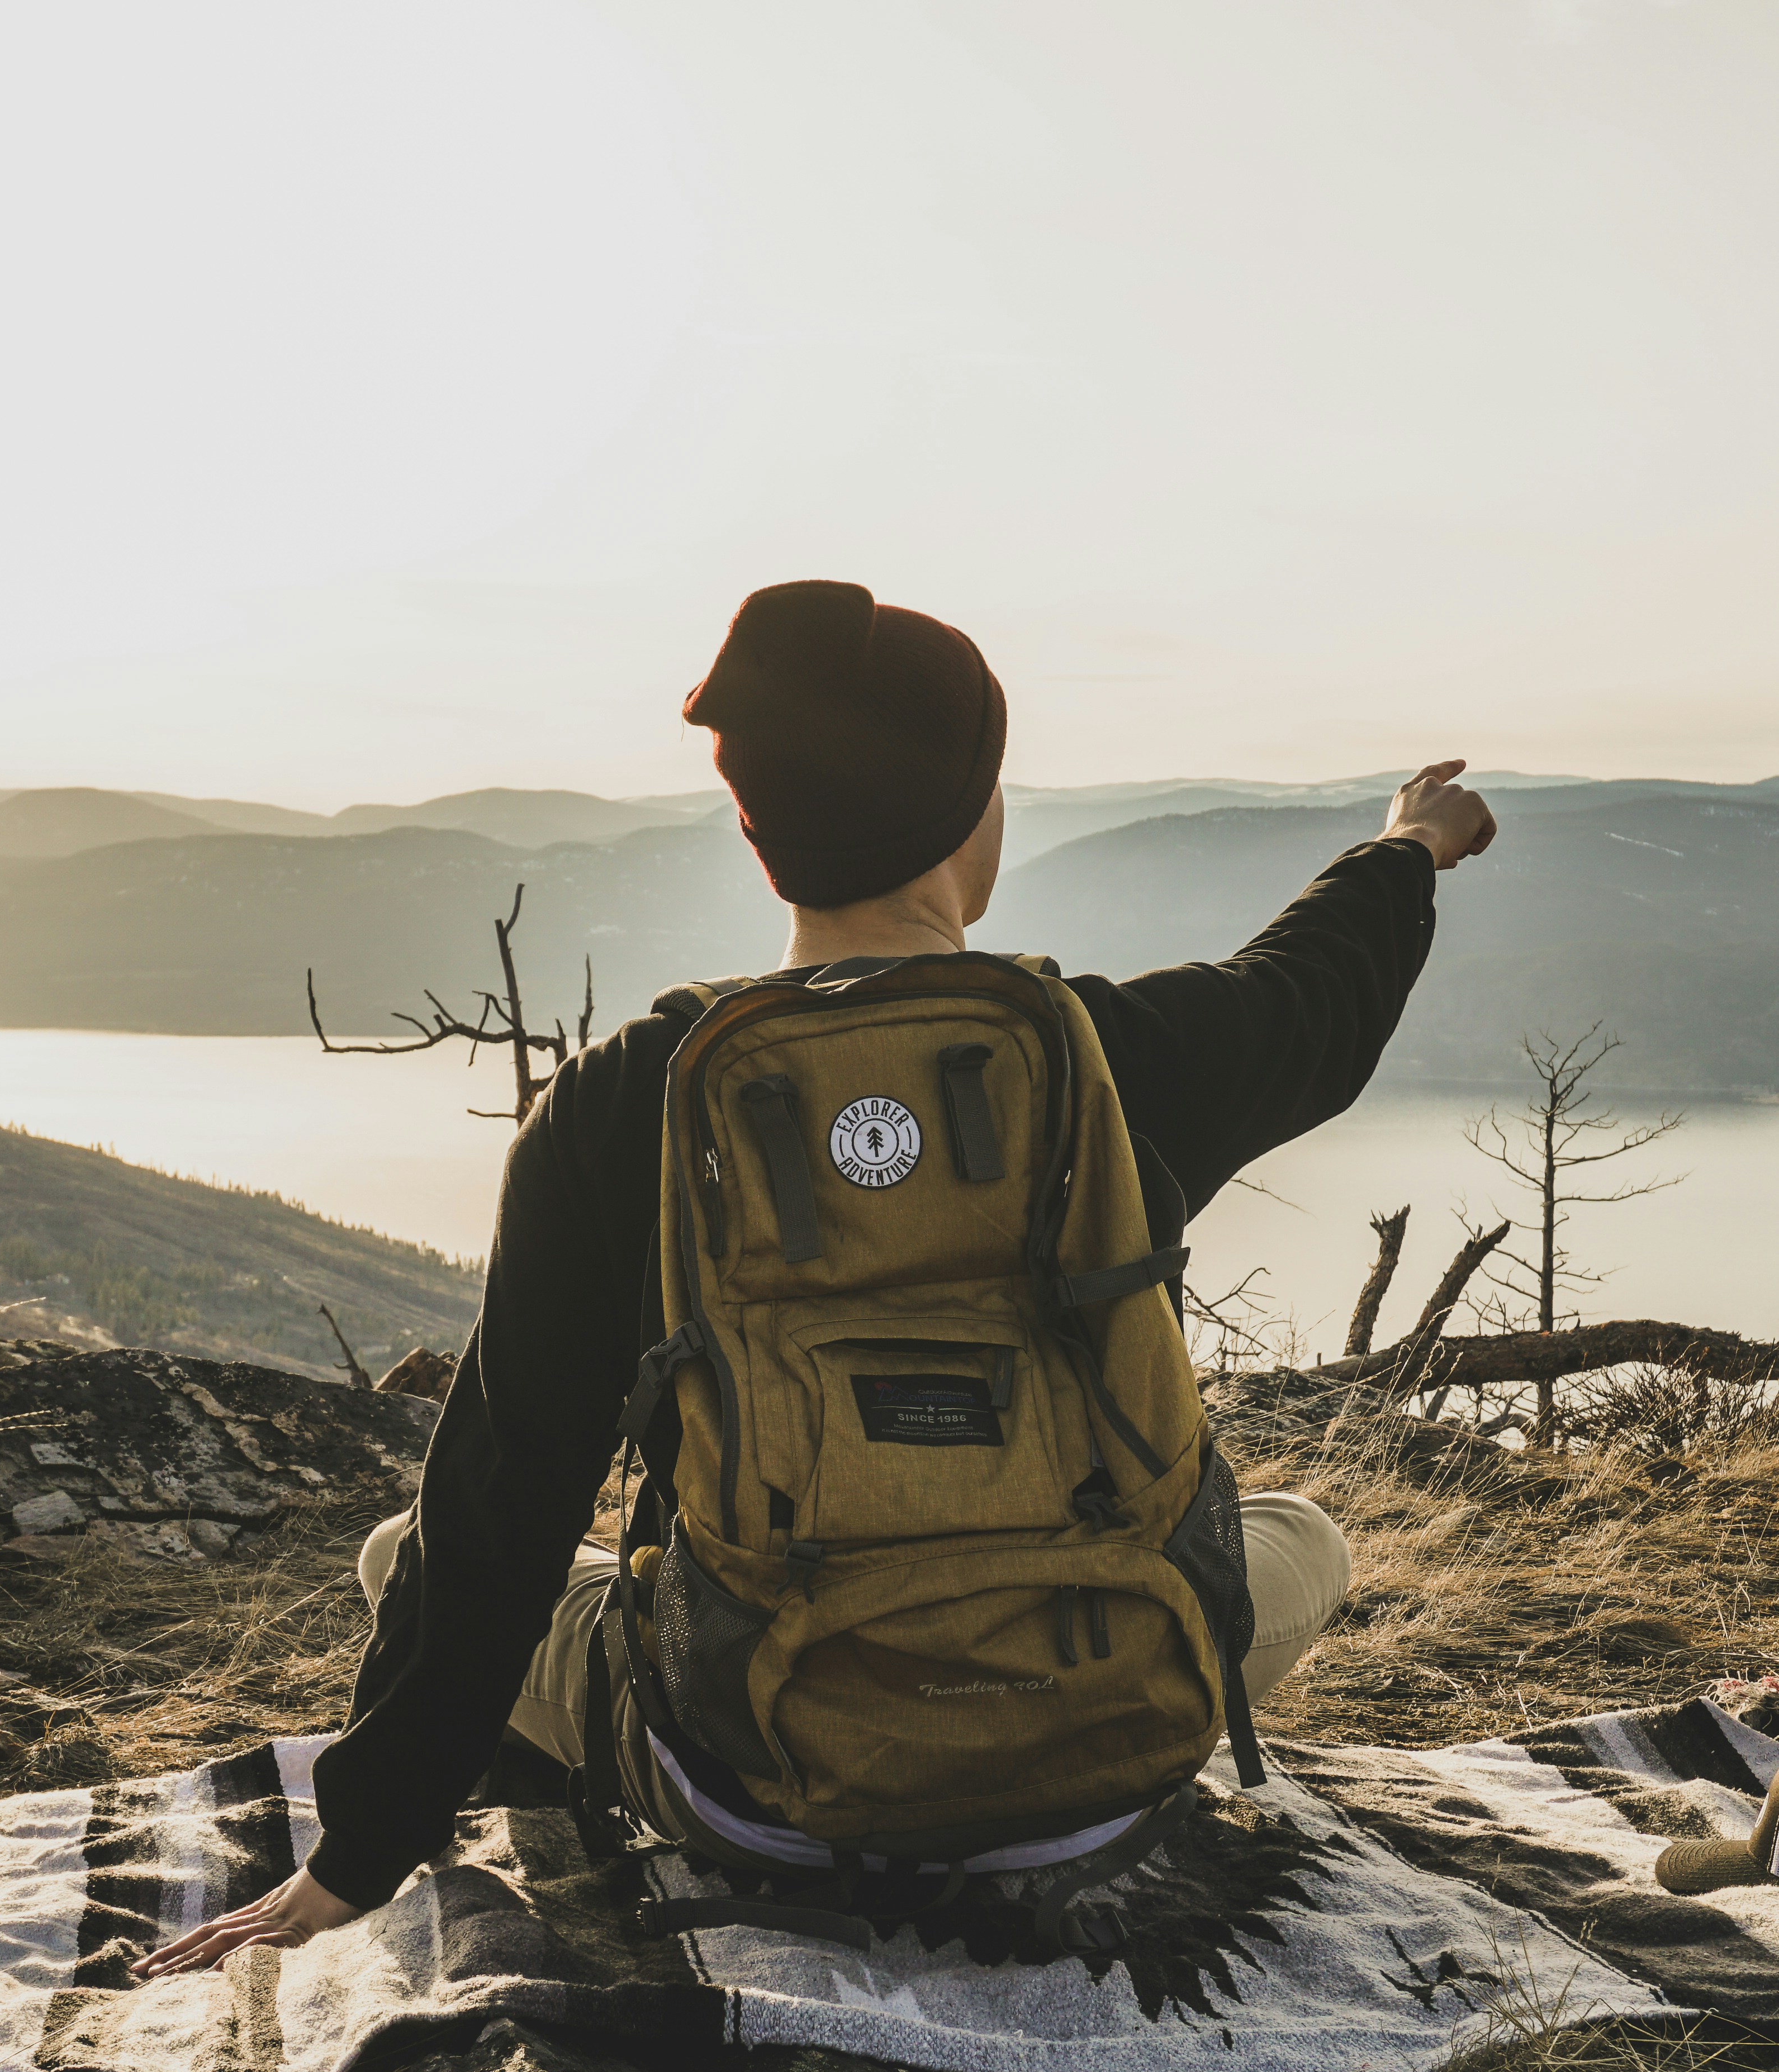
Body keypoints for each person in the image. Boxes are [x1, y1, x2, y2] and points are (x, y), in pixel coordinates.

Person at [135, 578, 1496, 1976]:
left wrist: (357, 1852)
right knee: (1300, 1538)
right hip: (1098, 1755)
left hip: (763, 1797)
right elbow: (1310, 996)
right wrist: (1407, 847)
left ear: (757, 829)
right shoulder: (1095, 1061)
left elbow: (501, 1496)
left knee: (394, 1554)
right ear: (973, 813)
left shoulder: (629, 1105)